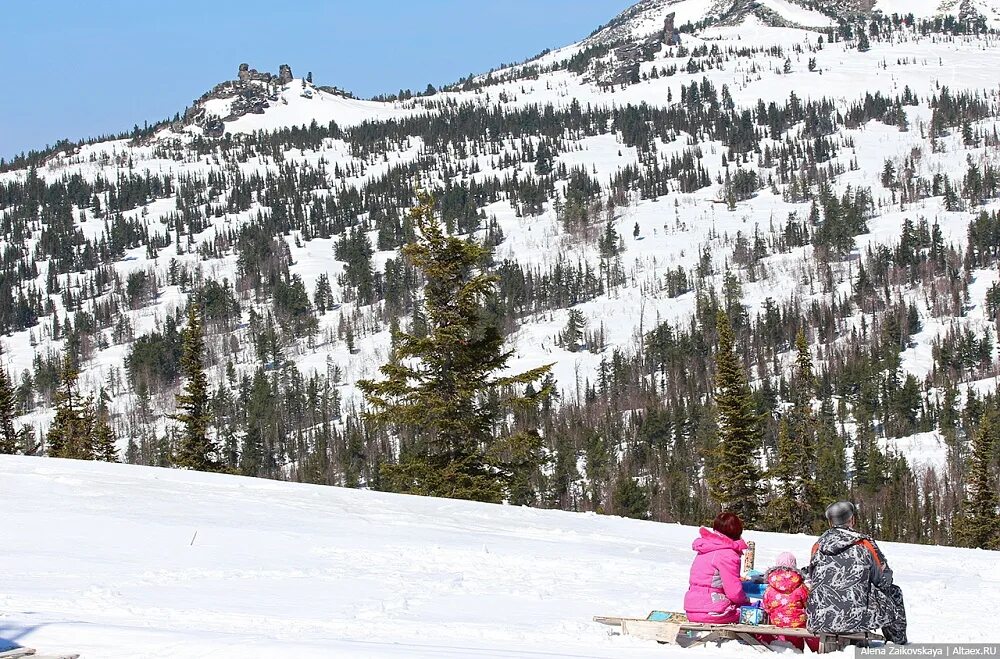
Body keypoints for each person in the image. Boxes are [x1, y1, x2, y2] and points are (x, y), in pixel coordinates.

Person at [806, 501, 908, 645]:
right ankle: (897, 642)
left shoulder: (818, 546)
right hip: (857, 618)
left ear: (830, 522)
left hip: (819, 619)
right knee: (894, 592)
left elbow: (813, 577)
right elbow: (883, 578)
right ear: (852, 520)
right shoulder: (864, 543)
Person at [684, 512, 751, 624]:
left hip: (692, 609)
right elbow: (734, 592)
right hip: (714, 611)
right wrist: (745, 600)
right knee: (753, 613)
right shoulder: (727, 554)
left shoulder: (707, 548)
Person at [761, 552, 819, 652]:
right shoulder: (800, 586)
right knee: (798, 645)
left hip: (777, 623)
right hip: (798, 625)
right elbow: (809, 604)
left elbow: (766, 606)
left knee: (782, 646)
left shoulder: (770, 587)